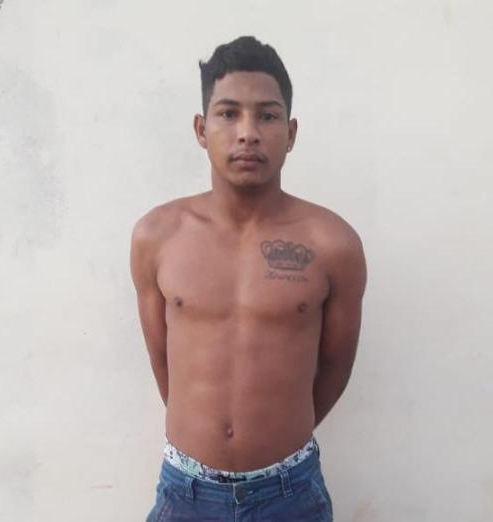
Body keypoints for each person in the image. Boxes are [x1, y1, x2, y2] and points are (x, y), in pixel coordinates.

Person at [130, 35, 366, 521]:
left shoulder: (332, 244)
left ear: (291, 132)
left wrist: (275, 440)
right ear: (201, 128)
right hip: (185, 493)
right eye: (228, 113)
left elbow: (335, 368)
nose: (248, 133)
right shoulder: (158, 236)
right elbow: (162, 360)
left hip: (290, 492)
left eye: (267, 116)